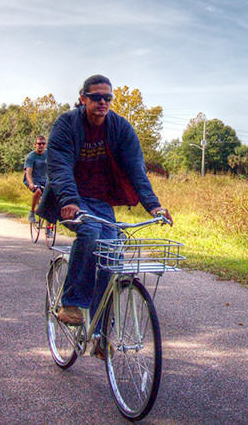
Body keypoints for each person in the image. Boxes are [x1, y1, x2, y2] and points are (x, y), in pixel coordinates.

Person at [37, 74, 172, 331]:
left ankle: (99, 332)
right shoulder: (66, 124)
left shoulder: (120, 127)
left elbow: (136, 169)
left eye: (107, 97)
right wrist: (68, 200)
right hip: (72, 198)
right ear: (83, 98)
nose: (102, 102)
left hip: (100, 201)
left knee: (113, 252)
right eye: (96, 97)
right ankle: (71, 303)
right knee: (90, 232)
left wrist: (154, 206)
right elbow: (60, 166)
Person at [23, 135, 47, 223]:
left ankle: (49, 227)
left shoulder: (48, 154)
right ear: (35, 145)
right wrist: (30, 183)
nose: (41, 145)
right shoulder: (31, 157)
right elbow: (28, 173)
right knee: (38, 191)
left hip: (45, 180)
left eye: (43, 144)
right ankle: (32, 212)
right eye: (39, 144)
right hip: (33, 179)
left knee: (51, 199)